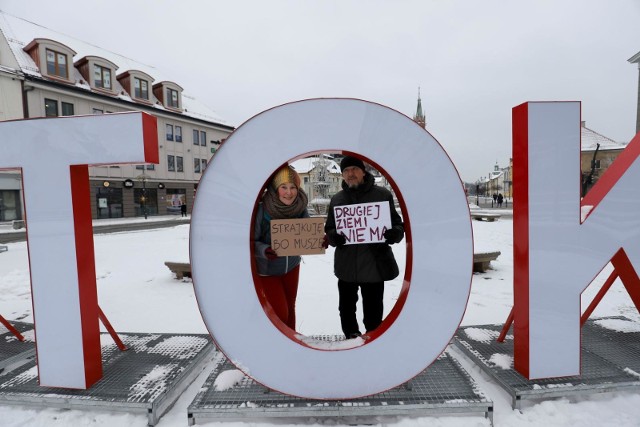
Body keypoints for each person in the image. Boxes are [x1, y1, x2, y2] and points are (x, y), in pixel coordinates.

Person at [324, 156, 404, 339]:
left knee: (374, 310)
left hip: (374, 265)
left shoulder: (382, 195)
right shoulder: (337, 199)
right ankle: (351, 338)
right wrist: (333, 236)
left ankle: (373, 339)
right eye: (346, 171)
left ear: (363, 171)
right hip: (346, 265)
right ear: (342, 175)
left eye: (354, 169)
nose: (350, 174)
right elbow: (329, 227)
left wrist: (395, 233)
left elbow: (397, 224)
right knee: (346, 308)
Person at [254, 165, 309, 330]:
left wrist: (320, 240)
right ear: (275, 189)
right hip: (268, 270)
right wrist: (264, 250)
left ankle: (292, 343)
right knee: (280, 313)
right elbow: (251, 241)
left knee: (290, 308)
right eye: (283, 187)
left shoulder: (300, 207)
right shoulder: (263, 209)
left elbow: (308, 233)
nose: (289, 192)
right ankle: (277, 346)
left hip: (292, 266)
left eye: (293, 187)